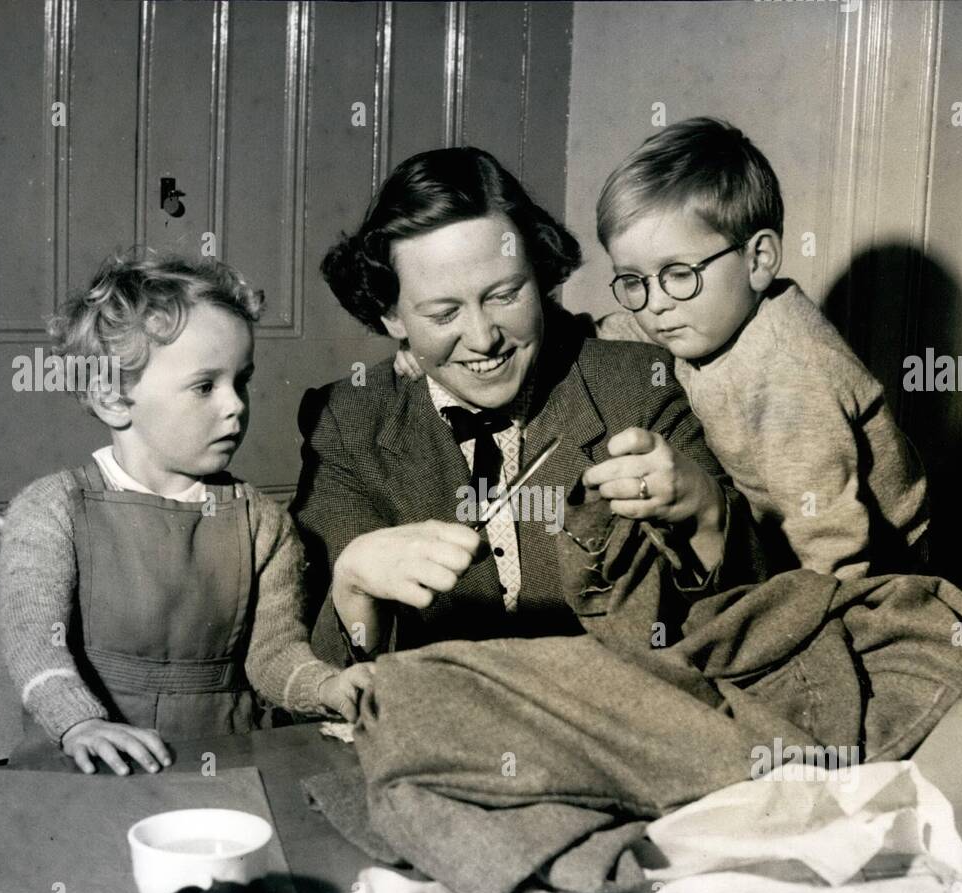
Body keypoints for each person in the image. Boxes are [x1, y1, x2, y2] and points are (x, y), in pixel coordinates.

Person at [295, 147, 761, 665]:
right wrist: (354, 588)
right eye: (444, 311)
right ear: (394, 320)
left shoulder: (636, 383)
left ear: (540, 278)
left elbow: (753, 615)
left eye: (504, 295)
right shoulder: (346, 421)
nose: (482, 339)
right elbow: (314, 679)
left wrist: (709, 513)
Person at [0, 252, 371, 776]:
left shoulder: (262, 523)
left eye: (241, 381)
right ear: (112, 398)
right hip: (86, 764)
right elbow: (35, 647)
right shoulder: (52, 509)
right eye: (205, 386)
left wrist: (327, 685)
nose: (236, 405)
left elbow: (274, 657)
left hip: (227, 759)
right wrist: (78, 724)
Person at [594, 118, 930, 580]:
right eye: (633, 280)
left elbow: (835, 545)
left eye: (678, 273)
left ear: (758, 260)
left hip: (881, 570)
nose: (654, 306)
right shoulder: (696, 314)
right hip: (781, 549)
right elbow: (619, 329)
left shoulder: (789, 372)